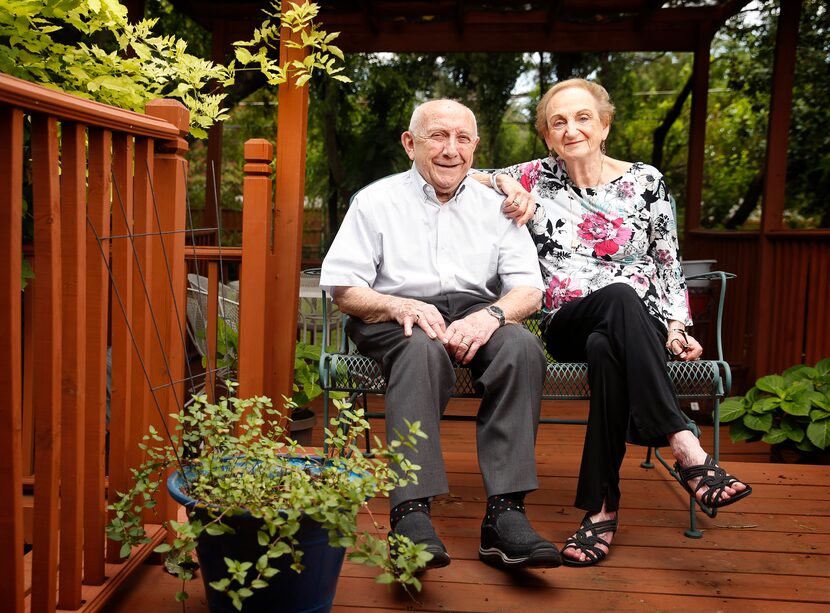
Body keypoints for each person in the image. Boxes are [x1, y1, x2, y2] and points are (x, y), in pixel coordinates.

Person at [478, 78, 752, 567]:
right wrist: (504, 182)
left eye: (583, 117)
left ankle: (600, 511)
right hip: (566, 324)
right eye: (558, 121)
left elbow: (667, 261)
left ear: (604, 126)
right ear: (546, 136)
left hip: (634, 329)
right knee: (619, 299)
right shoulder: (534, 177)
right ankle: (682, 442)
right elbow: (465, 174)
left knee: (611, 344)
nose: (571, 128)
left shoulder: (646, 181)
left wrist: (676, 327)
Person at [319, 99, 561, 570]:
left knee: (521, 346)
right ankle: (410, 514)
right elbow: (345, 288)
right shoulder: (376, 201)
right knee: (420, 349)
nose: (451, 150)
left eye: (463, 139)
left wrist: (492, 315)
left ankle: (505, 516)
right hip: (393, 314)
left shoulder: (498, 207)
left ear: (475, 148)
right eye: (437, 136)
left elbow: (529, 290)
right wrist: (397, 304)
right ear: (411, 144)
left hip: (476, 311)